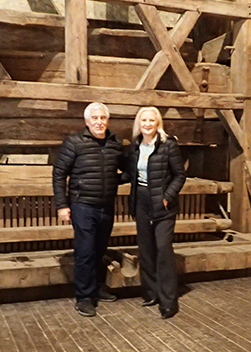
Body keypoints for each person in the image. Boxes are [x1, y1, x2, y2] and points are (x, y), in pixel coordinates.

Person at [53, 102, 125, 317]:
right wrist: (62, 205)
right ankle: (84, 297)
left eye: (103, 118)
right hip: (82, 205)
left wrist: (125, 178)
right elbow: (59, 175)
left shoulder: (115, 143)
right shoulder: (74, 142)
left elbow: (121, 169)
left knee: (100, 250)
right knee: (85, 252)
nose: (99, 122)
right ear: (86, 121)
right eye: (94, 118)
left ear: (107, 120)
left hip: (106, 205)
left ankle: (96, 288)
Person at [126, 106, 186, 319]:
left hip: (163, 203)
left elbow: (180, 175)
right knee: (146, 249)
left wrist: (166, 197)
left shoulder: (168, 145)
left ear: (157, 123)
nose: (148, 124)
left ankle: (169, 301)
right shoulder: (135, 146)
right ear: (139, 123)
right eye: (144, 120)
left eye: (152, 120)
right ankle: (151, 293)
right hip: (141, 201)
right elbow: (128, 173)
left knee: (163, 249)